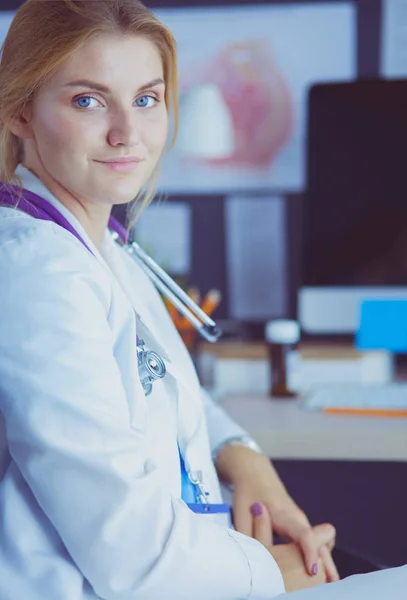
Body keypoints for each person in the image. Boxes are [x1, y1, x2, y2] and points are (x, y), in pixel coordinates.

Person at [0, 0, 368, 597]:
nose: (128, 133)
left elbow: (154, 382)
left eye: (146, 99)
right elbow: (131, 554)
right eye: (87, 100)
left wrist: (245, 458)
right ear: (20, 110)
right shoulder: (37, 273)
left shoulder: (102, 246)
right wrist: (270, 572)